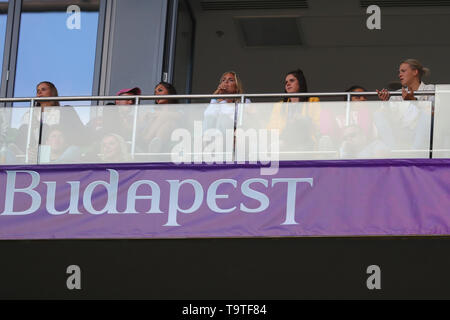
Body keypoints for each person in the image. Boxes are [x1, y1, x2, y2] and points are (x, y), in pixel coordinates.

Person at [375, 59, 432, 152]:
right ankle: (394, 151)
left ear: (415, 72)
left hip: (422, 134)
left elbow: (434, 112)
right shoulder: (397, 94)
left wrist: (415, 101)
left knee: (426, 113)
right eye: (399, 72)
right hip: (399, 133)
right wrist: (386, 103)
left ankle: (415, 152)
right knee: (378, 114)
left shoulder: (430, 89)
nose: (399, 75)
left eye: (403, 71)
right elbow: (389, 117)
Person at [139, 82, 182, 154]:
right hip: (149, 138)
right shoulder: (151, 112)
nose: (157, 94)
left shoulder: (179, 109)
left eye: (160, 90)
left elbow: (181, 117)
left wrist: (161, 113)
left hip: (171, 139)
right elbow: (141, 125)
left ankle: (151, 142)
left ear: (170, 93)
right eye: (155, 92)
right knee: (166, 119)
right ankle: (154, 144)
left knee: (169, 122)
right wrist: (146, 117)